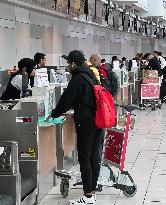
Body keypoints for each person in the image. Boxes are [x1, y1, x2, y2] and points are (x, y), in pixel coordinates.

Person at [48, 50, 101, 205]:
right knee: (93, 156)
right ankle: (92, 188)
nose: (67, 67)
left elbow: (65, 101)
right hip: (97, 120)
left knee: (84, 157)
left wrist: (54, 114)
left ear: (72, 64)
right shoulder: (90, 75)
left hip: (86, 122)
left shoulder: (77, 79)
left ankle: (88, 196)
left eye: (68, 63)